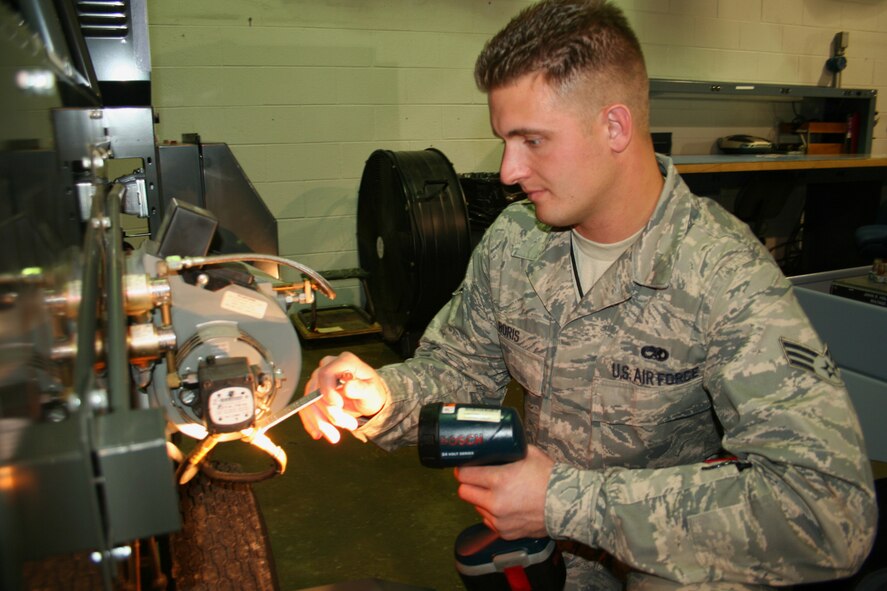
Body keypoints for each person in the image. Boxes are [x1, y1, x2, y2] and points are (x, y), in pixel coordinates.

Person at [299, 1, 877, 588]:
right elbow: (461, 368)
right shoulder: (516, 242)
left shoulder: (722, 274)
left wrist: (563, 500)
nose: (506, 171)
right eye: (504, 140)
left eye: (532, 140)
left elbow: (829, 511)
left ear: (615, 127)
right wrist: (382, 396)